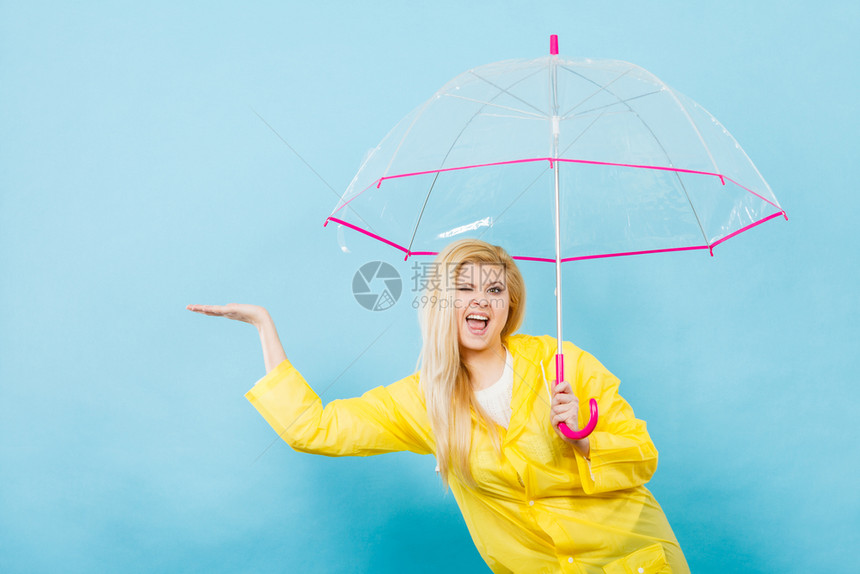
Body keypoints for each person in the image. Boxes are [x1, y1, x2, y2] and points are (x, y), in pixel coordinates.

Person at [187, 239, 689, 573]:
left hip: (636, 560)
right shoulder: (426, 401)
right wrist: (262, 326)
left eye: (495, 290)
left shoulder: (563, 364)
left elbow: (643, 457)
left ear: (509, 305)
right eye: (465, 287)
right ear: (442, 302)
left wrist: (584, 435)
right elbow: (314, 428)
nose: (482, 300)